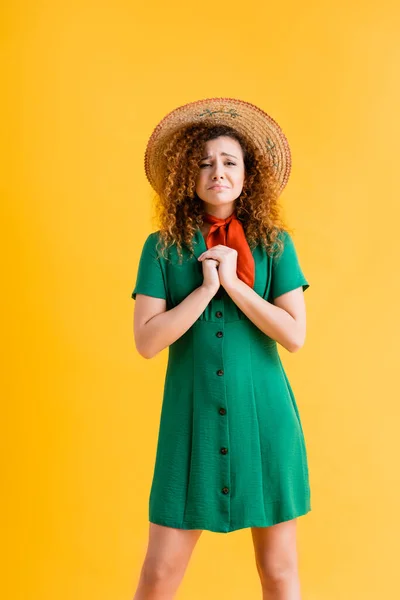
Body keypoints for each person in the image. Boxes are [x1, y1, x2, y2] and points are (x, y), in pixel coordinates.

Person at [131, 97, 311, 600]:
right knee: (160, 572)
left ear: (247, 175)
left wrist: (236, 285)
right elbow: (147, 341)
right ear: (188, 175)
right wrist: (205, 288)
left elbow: (294, 335)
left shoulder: (275, 245)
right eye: (205, 162)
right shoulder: (161, 248)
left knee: (278, 571)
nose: (217, 171)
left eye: (229, 161)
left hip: (265, 421)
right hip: (191, 422)